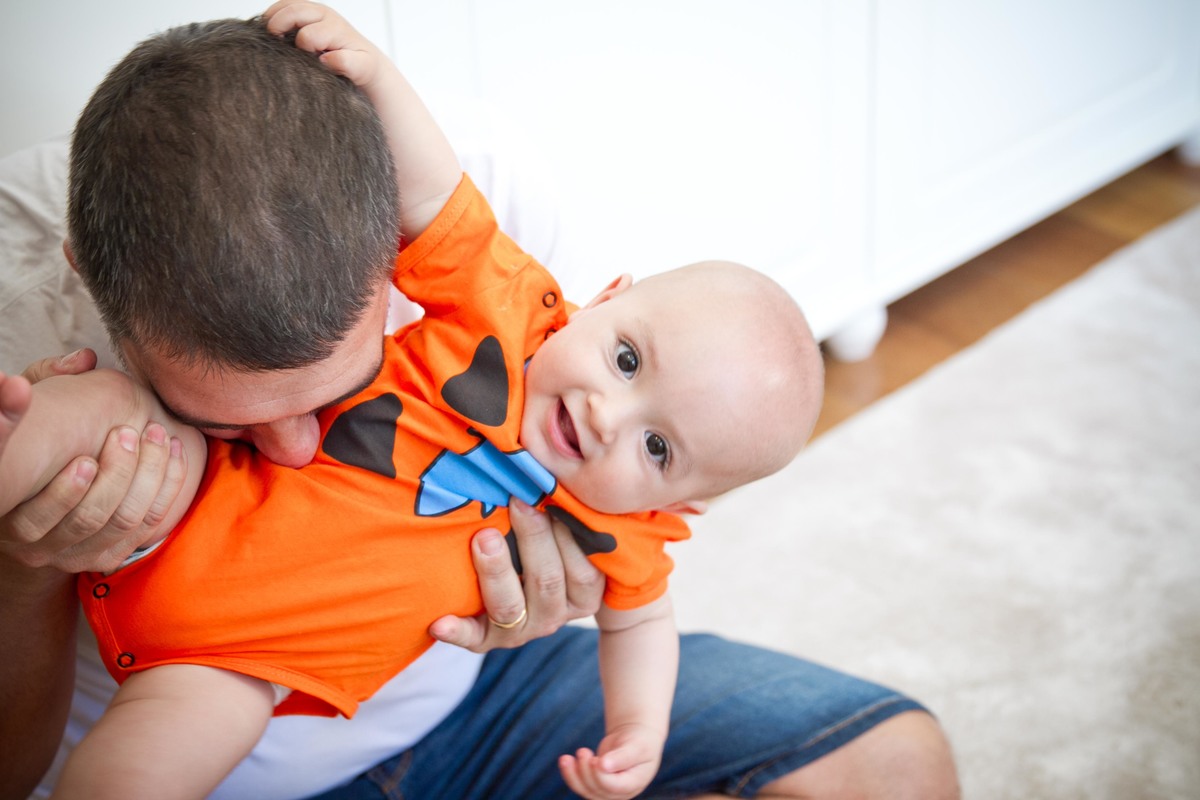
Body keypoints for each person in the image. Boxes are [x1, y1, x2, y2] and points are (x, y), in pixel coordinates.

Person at [0, 4, 960, 800]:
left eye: (659, 451)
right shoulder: (503, 302)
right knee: (101, 431)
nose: (294, 446)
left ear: (390, 253)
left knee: (897, 767)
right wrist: (21, 562)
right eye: (227, 412)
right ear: (607, 300)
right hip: (222, 661)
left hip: (431, 690)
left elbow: (642, 626)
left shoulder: (613, 487)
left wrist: (635, 735)